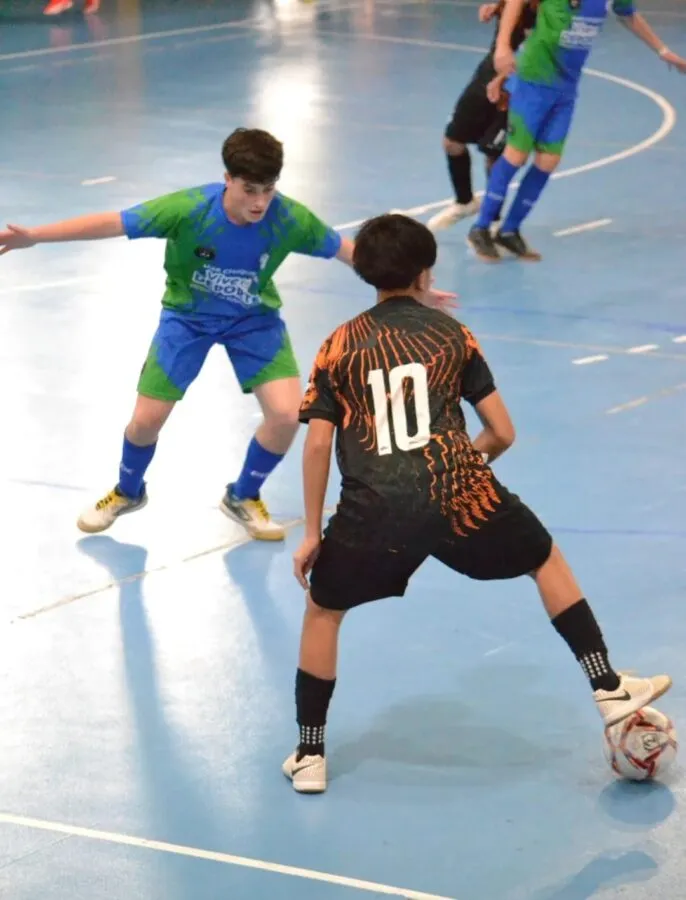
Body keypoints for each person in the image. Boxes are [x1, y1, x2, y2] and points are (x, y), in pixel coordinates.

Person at [283, 213, 671, 793]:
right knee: (544, 558)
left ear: (364, 272)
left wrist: (313, 532)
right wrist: (457, 464)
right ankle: (608, 686)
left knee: (324, 610)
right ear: (424, 272)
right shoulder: (453, 335)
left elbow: (317, 445)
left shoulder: (336, 346)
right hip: (458, 492)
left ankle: (310, 755)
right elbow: (502, 433)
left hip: (372, 510)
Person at [0, 129, 454, 540]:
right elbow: (114, 222)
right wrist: (36, 235)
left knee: (286, 415)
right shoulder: (188, 210)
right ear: (228, 180)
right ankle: (127, 491)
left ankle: (243, 495)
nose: (260, 202)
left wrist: (408, 287)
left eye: (268, 189)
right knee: (145, 422)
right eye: (249, 189)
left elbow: (348, 252)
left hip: (254, 321)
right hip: (187, 319)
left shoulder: (288, 219)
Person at [467, 0, 686, 261]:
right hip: (533, 78)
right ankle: (480, 227)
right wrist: (503, 45)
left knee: (548, 161)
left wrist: (662, 50)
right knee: (516, 155)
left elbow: (629, 16)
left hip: (566, 86)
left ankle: (509, 230)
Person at [428, 0, 539, 233]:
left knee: (494, 157)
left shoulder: (552, 10)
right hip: (487, 75)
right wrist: (497, 8)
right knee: (452, 142)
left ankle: (493, 221)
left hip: (517, 86)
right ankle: (465, 202)